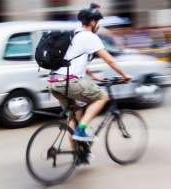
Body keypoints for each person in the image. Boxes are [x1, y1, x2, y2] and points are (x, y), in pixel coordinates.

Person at [47, 4, 132, 161]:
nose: (98, 26)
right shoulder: (90, 37)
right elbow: (109, 59)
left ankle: (77, 156)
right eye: (98, 23)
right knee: (102, 97)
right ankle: (81, 131)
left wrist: (93, 74)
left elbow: (72, 60)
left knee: (75, 116)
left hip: (54, 82)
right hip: (68, 82)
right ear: (93, 22)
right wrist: (125, 75)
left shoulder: (73, 35)